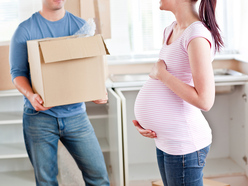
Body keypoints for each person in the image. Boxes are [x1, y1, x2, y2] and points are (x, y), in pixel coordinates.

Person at [9, 0, 110, 185]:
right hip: (39, 118)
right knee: (46, 181)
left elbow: (90, 67)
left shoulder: (81, 27)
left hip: (76, 115)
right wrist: (31, 95)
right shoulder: (25, 30)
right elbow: (17, 73)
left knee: (99, 177)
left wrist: (97, 89)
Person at [133, 0, 223, 185]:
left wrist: (162, 74)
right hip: (166, 140)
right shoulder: (171, 30)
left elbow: (205, 100)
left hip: (184, 144)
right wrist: (147, 122)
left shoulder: (196, 35)